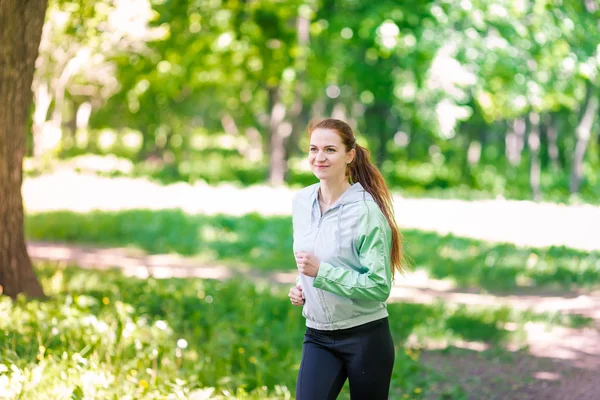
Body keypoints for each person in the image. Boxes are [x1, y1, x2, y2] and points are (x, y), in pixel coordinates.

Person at [288, 118, 405, 400]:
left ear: (349, 155)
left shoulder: (366, 211)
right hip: (317, 335)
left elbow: (379, 286)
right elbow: (313, 256)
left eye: (330, 149)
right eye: (314, 149)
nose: (319, 157)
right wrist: (302, 285)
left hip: (364, 336)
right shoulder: (302, 202)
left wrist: (321, 273)